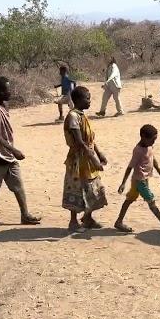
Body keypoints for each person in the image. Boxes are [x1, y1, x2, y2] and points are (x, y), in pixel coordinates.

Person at [0, 76, 41, 226]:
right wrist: (14, 150)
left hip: (7, 153)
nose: (10, 92)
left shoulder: (4, 106)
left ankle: (25, 214)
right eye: (7, 89)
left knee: (18, 185)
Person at [114, 124, 160, 233]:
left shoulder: (149, 146)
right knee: (151, 200)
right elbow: (130, 167)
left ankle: (119, 222)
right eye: (152, 139)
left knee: (129, 199)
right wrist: (123, 183)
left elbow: (153, 159)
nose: (153, 142)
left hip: (142, 180)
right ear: (143, 136)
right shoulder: (138, 150)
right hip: (139, 180)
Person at [62, 86, 108, 233]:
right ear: (77, 100)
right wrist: (94, 159)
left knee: (92, 188)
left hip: (87, 157)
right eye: (87, 98)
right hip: (78, 159)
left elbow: (90, 140)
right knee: (76, 188)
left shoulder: (82, 116)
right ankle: (73, 222)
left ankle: (88, 218)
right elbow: (80, 142)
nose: (89, 101)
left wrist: (99, 153)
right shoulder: (73, 117)